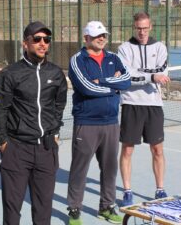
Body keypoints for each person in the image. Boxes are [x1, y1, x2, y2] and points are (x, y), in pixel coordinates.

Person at [0, 21, 68, 225]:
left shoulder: (56, 74)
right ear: (25, 43)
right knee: (12, 209)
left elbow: (59, 104)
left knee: (44, 209)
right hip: (17, 148)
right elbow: (0, 109)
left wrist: (55, 131)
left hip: (46, 149)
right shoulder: (10, 74)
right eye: (37, 39)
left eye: (46, 39)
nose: (43, 43)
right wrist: (3, 141)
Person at [67, 21, 131, 225]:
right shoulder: (77, 60)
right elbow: (86, 88)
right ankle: (75, 210)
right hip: (86, 123)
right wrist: (114, 84)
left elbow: (127, 81)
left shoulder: (114, 58)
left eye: (104, 35)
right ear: (86, 38)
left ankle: (107, 206)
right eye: (97, 36)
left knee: (110, 168)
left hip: (111, 122)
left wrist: (102, 82)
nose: (102, 38)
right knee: (79, 169)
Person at [118, 11, 170, 207]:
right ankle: (127, 190)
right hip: (131, 104)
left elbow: (161, 73)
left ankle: (160, 189)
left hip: (154, 105)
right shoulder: (124, 49)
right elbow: (126, 77)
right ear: (134, 27)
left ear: (151, 27)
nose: (142, 32)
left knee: (157, 149)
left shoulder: (160, 48)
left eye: (145, 28)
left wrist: (142, 74)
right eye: (139, 28)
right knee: (128, 150)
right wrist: (150, 76)